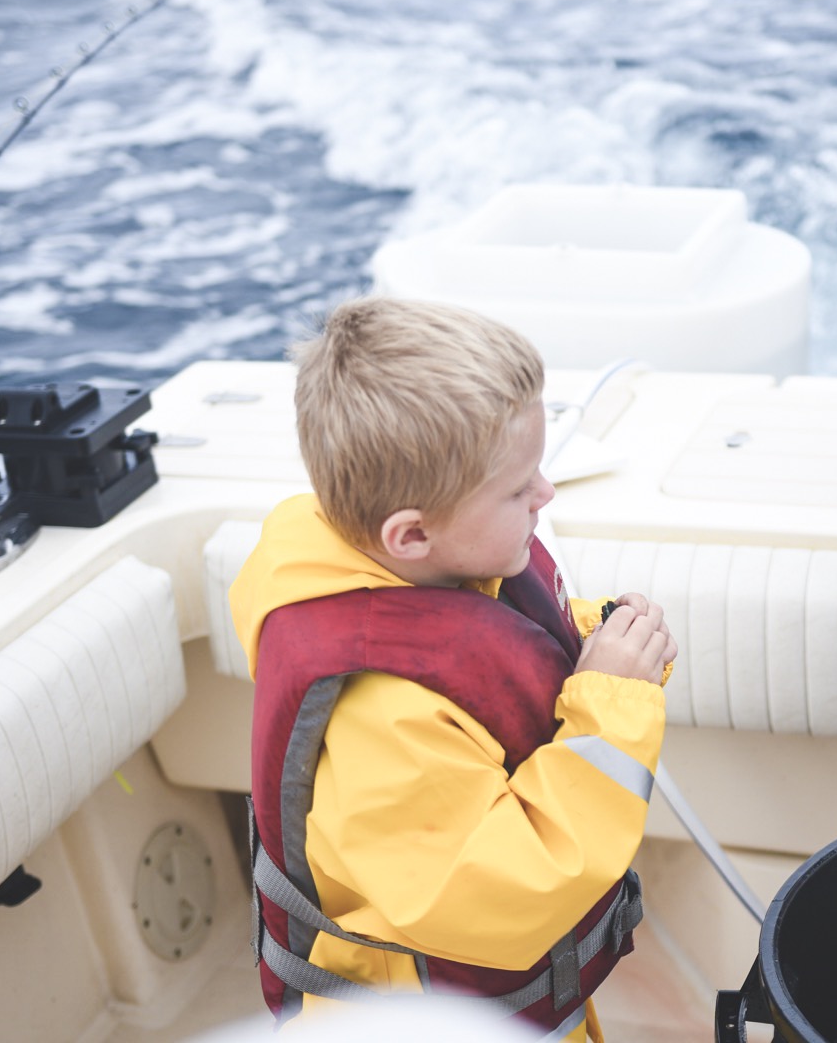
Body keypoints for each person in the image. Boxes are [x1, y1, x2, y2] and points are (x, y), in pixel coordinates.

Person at [229, 297, 676, 1040]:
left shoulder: (399, 559)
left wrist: (599, 640)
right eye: (516, 488)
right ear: (410, 534)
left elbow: (491, 643)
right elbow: (508, 891)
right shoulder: (381, 712)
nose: (546, 494)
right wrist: (613, 706)